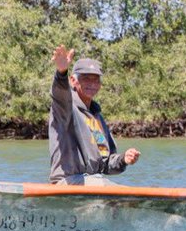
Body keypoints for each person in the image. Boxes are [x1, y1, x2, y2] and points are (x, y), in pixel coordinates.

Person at [48, 44, 140, 184]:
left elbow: (105, 164)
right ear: (73, 81)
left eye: (96, 79)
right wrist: (61, 73)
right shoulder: (65, 107)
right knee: (104, 186)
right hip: (67, 182)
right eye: (86, 78)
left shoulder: (97, 117)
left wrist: (123, 159)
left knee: (105, 184)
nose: (92, 84)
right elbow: (60, 95)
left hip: (94, 182)